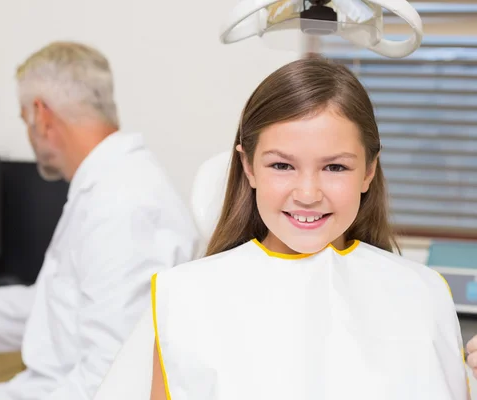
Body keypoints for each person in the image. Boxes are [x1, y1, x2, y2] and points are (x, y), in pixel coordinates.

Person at [92, 55, 471, 400]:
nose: (307, 193)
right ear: (249, 166)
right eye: (282, 166)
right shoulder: (187, 298)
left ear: (369, 171)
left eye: (335, 167)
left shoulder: (421, 296)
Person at [0, 41, 199, 400]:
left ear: (40, 116)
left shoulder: (121, 203)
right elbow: (61, 308)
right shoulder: (110, 185)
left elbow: (112, 379)